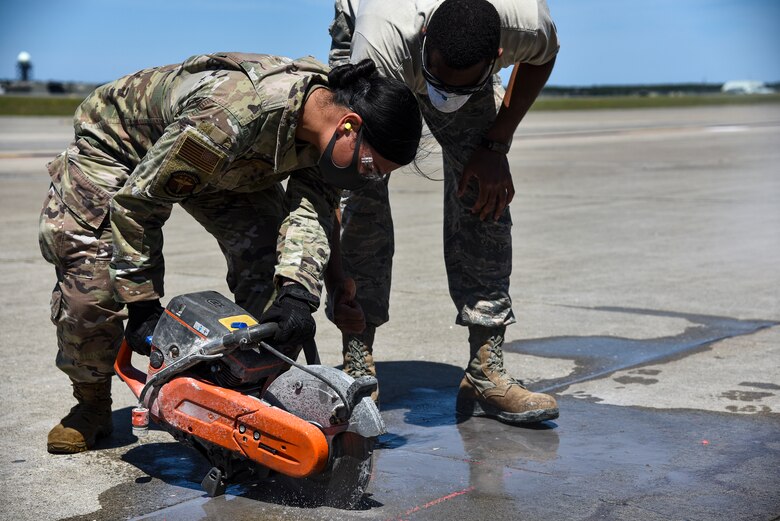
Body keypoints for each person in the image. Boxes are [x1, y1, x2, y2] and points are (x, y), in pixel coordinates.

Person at [39, 52, 422, 454]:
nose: (367, 178)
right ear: (349, 126)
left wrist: (297, 294)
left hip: (228, 162)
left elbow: (311, 216)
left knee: (272, 279)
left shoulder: (327, 130)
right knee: (92, 287)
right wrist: (141, 302)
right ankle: (91, 402)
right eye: (370, 166)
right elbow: (138, 204)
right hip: (121, 149)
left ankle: (250, 401)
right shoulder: (231, 114)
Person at [327, 0, 560, 424]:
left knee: (485, 189)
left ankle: (486, 369)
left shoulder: (528, 23)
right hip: (380, 50)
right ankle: (357, 360)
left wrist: (496, 144)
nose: (444, 98)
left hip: (450, 51)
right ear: (426, 40)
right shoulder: (378, 41)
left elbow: (544, 58)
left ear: (499, 56)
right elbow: (357, 168)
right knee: (362, 194)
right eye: (438, 82)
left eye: (459, 89)